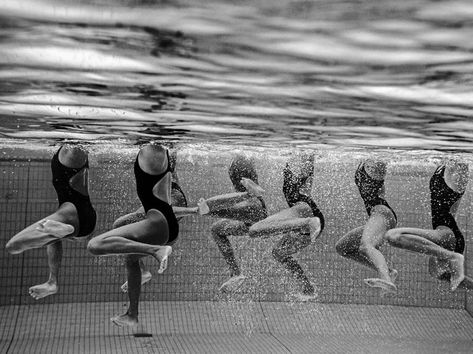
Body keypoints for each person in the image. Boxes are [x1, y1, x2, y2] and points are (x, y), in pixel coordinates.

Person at [87, 144, 193, 330]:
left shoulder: (153, 154)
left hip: (159, 224)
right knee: (130, 256)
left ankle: (156, 250)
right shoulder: (156, 159)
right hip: (164, 225)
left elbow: (177, 205)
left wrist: (193, 210)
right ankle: (132, 315)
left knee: (96, 245)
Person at [5, 144, 97, 300]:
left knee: (20, 245)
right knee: (20, 245)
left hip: (78, 219)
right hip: (79, 218)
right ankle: (64, 233)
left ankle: (53, 281)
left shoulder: (71, 151)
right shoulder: (71, 151)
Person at [385, 159, 472, 291]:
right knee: (436, 272)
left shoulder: (458, 167)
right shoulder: (443, 163)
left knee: (393, 236)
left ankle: (455, 258)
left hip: (448, 234)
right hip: (445, 231)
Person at [248, 152, 323, 301]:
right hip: (305, 213)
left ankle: (309, 222)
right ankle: (308, 288)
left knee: (255, 230)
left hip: (304, 210)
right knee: (278, 252)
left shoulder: (302, 166)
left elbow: (308, 162)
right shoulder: (298, 172)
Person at [117, 149, 192, 293]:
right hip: (166, 197)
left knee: (120, 226)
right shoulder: (160, 156)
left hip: (172, 197)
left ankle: (146, 264)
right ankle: (144, 265)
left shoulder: (161, 154)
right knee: (123, 229)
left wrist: (193, 210)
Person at [197, 154, 268, 293]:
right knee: (217, 228)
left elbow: (226, 209)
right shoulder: (246, 160)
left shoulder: (241, 162)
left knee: (217, 212)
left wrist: (207, 210)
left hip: (254, 211)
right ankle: (235, 274)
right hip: (253, 215)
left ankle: (236, 273)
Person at [335, 159, 398, 295]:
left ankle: (386, 279)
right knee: (342, 248)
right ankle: (389, 271)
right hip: (377, 214)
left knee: (366, 246)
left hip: (382, 212)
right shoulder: (364, 160)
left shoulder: (375, 161)